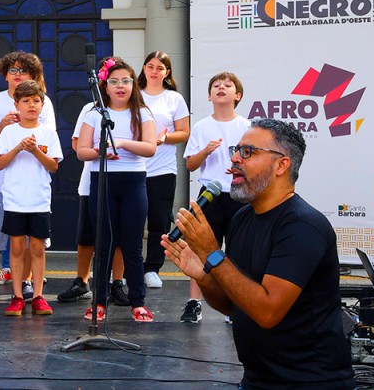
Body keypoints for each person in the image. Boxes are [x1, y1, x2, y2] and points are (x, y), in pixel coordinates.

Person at [163, 118, 355, 389]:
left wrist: (213, 253)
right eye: (236, 150)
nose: (235, 160)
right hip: (257, 380)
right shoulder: (243, 218)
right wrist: (204, 276)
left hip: (311, 383)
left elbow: (266, 312)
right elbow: (236, 304)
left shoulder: (301, 226)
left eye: (248, 152)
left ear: (281, 164)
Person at [0, 51, 56, 302]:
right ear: (5, 75)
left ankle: (26, 282)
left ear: (32, 75)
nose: (17, 75)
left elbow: (49, 137)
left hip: (30, 182)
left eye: (23, 71)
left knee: (27, 238)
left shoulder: (43, 102)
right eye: (13, 70)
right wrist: (1, 127)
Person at [76, 57, 156, 322]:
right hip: (103, 180)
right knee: (104, 243)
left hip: (133, 181)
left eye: (125, 81)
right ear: (104, 86)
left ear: (133, 84)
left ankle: (138, 303)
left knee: (132, 245)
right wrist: (100, 152)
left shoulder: (142, 112)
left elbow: (150, 147)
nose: (120, 86)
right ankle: (98, 303)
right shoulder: (93, 113)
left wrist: (121, 142)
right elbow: (81, 151)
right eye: (114, 82)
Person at [180, 72, 249, 323]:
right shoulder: (201, 127)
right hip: (210, 194)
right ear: (209, 96)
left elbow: (252, 161)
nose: (221, 88)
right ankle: (194, 302)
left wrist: (239, 168)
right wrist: (206, 152)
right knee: (201, 248)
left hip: (239, 194)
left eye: (228, 85)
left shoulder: (247, 126)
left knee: (237, 250)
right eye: (216, 86)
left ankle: (236, 303)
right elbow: (190, 165)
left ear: (237, 95)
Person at [0, 80, 62, 316]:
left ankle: (38, 295)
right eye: (26, 101)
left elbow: (53, 166)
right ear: (17, 104)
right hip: (14, 199)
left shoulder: (48, 132)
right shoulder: (9, 132)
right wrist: (18, 148)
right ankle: (16, 296)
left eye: (36, 101)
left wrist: (35, 150)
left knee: (37, 248)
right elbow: (0, 163)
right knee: (16, 247)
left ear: (43, 104)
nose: (32, 105)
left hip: (39, 199)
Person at [57, 99, 128, 306]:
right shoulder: (90, 108)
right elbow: (76, 142)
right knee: (87, 235)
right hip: (92, 179)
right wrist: (98, 149)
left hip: (123, 180)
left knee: (119, 236)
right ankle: (81, 281)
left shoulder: (135, 109)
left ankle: (117, 283)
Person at [138, 51, 190, 290]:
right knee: (132, 222)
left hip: (162, 170)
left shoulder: (174, 98)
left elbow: (184, 132)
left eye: (160, 67)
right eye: (150, 66)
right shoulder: (134, 95)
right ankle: (131, 268)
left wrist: (166, 137)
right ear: (144, 69)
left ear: (167, 72)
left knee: (159, 221)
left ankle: (152, 268)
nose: (154, 71)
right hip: (134, 168)